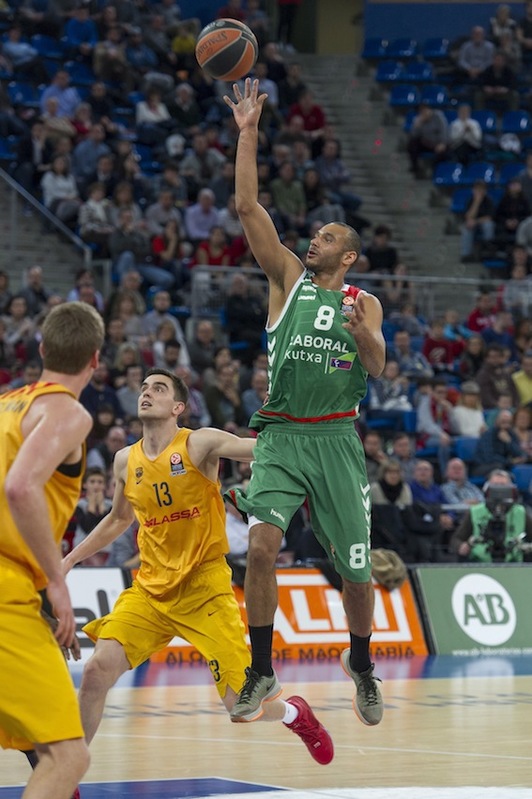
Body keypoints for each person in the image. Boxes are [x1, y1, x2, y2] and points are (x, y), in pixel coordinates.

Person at [63, 368, 333, 766]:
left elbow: (256, 449)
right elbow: (119, 520)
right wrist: (69, 559)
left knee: (242, 708)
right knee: (97, 671)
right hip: (150, 590)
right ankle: (67, 775)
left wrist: (301, 428)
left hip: (204, 588)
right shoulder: (124, 460)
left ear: (178, 407)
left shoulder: (198, 443)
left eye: (158, 388)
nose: (146, 393)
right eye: (143, 387)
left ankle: (296, 714)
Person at [222, 79, 386, 725]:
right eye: (312, 234)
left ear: (348, 255)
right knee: (262, 547)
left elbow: (377, 366)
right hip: (284, 436)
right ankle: (262, 669)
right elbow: (245, 206)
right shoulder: (288, 278)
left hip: (338, 440)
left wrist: (363, 333)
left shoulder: (363, 301)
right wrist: (248, 131)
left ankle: (363, 663)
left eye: (325, 237)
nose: (312, 240)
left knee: (357, 573)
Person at [0, 301, 105, 799]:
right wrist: (57, 582)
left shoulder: (6, 405)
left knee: (41, 747)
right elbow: (20, 488)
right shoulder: (68, 412)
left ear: (41, 348)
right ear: (96, 360)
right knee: (69, 755)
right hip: (7, 588)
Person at [450, 469, 532, 562]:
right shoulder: (475, 511)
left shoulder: (520, 512)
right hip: (479, 563)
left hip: (514, 563)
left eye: (503, 485)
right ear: (487, 488)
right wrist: (461, 546)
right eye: (495, 485)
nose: (499, 490)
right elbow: (456, 539)